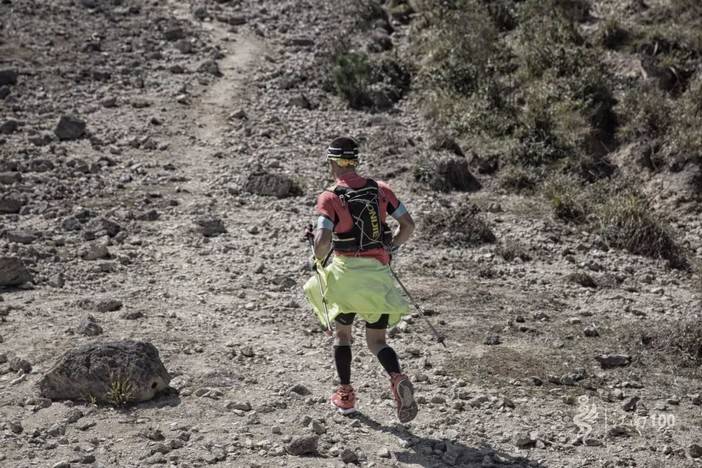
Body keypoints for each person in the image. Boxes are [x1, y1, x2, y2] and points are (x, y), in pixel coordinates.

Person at [303, 136, 419, 423]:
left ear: (332, 162)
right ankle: (397, 376)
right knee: (377, 341)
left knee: (342, 335)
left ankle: (345, 396)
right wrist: (391, 248)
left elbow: (322, 242)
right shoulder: (381, 190)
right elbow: (408, 225)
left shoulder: (329, 197)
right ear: (355, 161)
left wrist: (314, 249)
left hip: (345, 278)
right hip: (377, 277)